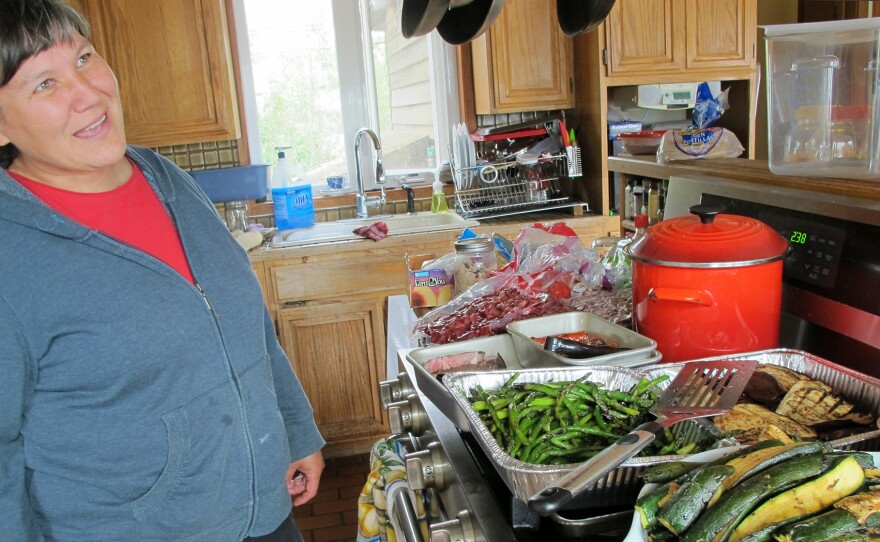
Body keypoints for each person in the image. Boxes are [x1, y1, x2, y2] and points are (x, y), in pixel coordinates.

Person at [0, 1, 325, 540]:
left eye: (83, 58)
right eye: (43, 84)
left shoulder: (168, 179)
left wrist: (294, 430)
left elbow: (251, 331)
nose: (86, 93)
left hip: (266, 517)